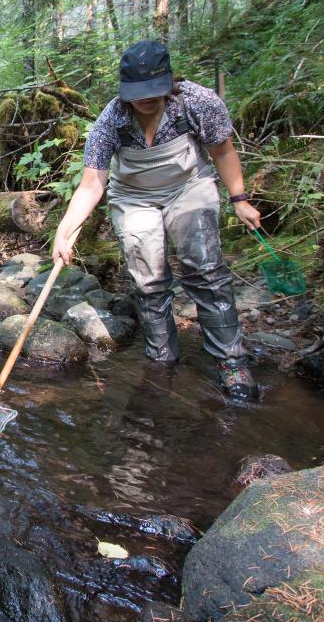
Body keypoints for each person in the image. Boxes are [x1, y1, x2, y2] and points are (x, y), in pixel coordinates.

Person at [51, 40, 262, 399]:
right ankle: (161, 359)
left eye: (155, 90)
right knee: (147, 278)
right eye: (139, 92)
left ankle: (231, 363)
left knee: (205, 269)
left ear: (169, 82)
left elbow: (223, 150)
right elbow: (92, 183)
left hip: (189, 186)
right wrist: (65, 231)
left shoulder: (198, 102)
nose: (147, 98)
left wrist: (239, 198)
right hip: (134, 196)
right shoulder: (111, 121)